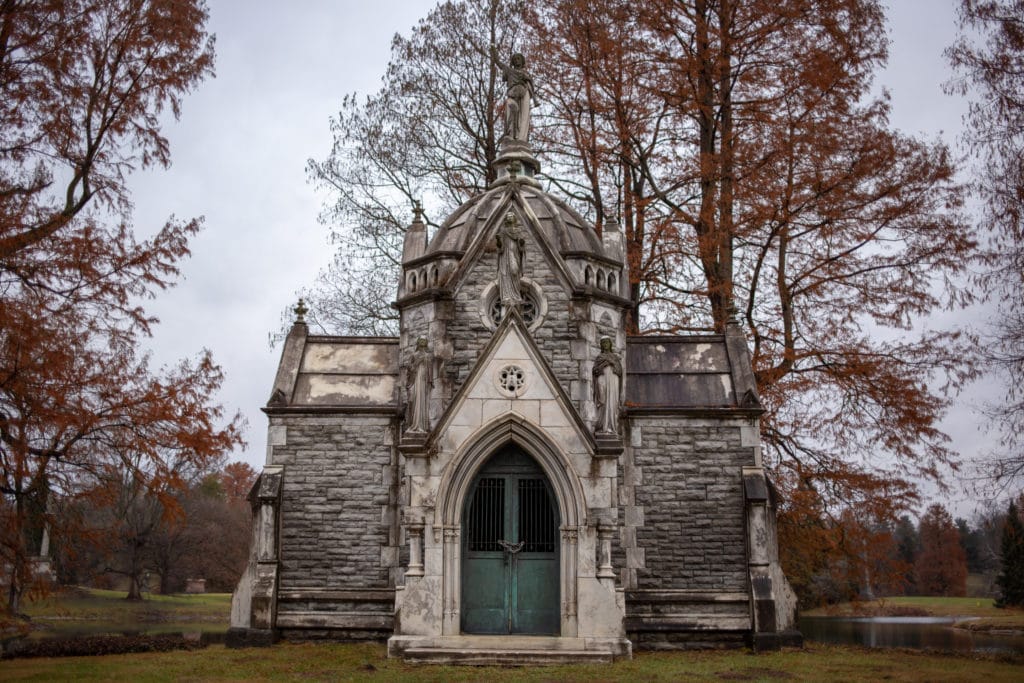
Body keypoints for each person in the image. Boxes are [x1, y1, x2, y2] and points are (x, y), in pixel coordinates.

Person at [492, 47, 534, 142]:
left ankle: (521, 137)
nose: (516, 60)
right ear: (512, 62)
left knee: (522, 115)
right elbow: (498, 62)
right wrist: (494, 49)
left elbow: (531, 85)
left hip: (524, 93)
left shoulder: (526, 74)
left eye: (518, 58)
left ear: (522, 61)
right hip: (512, 94)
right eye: (514, 59)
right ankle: (510, 134)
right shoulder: (509, 70)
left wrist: (527, 80)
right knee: (510, 110)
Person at [496, 211, 525, 314]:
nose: (509, 217)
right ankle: (507, 296)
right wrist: (499, 241)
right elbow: (500, 247)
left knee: (514, 272)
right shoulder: (503, 231)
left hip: (515, 254)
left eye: (512, 216)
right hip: (505, 256)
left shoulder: (518, 231)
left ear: (514, 218)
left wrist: (521, 243)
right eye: (508, 216)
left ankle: (516, 295)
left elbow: (522, 248)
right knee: (506, 274)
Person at [593, 337, 622, 436]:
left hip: (613, 381)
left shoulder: (615, 358)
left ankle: (610, 426)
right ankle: (602, 426)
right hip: (602, 379)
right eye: (603, 343)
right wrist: (604, 364)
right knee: (602, 400)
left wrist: (612, 363)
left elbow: (619, 371)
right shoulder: (599, 358)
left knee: (612, 402)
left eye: (607, 343)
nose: (605, 344)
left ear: (610, 344)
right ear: (601, 345)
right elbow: (595, 371)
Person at [407, 338, 433, 433]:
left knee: (423, 402)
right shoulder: (414, 355)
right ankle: (415, 425)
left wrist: (430, 381)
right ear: (418, 342)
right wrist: (417, 362)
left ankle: (422, 425)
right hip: (415, 380)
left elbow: (430, 371)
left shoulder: (428, 356)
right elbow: (410, 370)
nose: (423, 342)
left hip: (424, 381)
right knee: (414, 400)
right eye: (421, 340)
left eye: (424, 340)